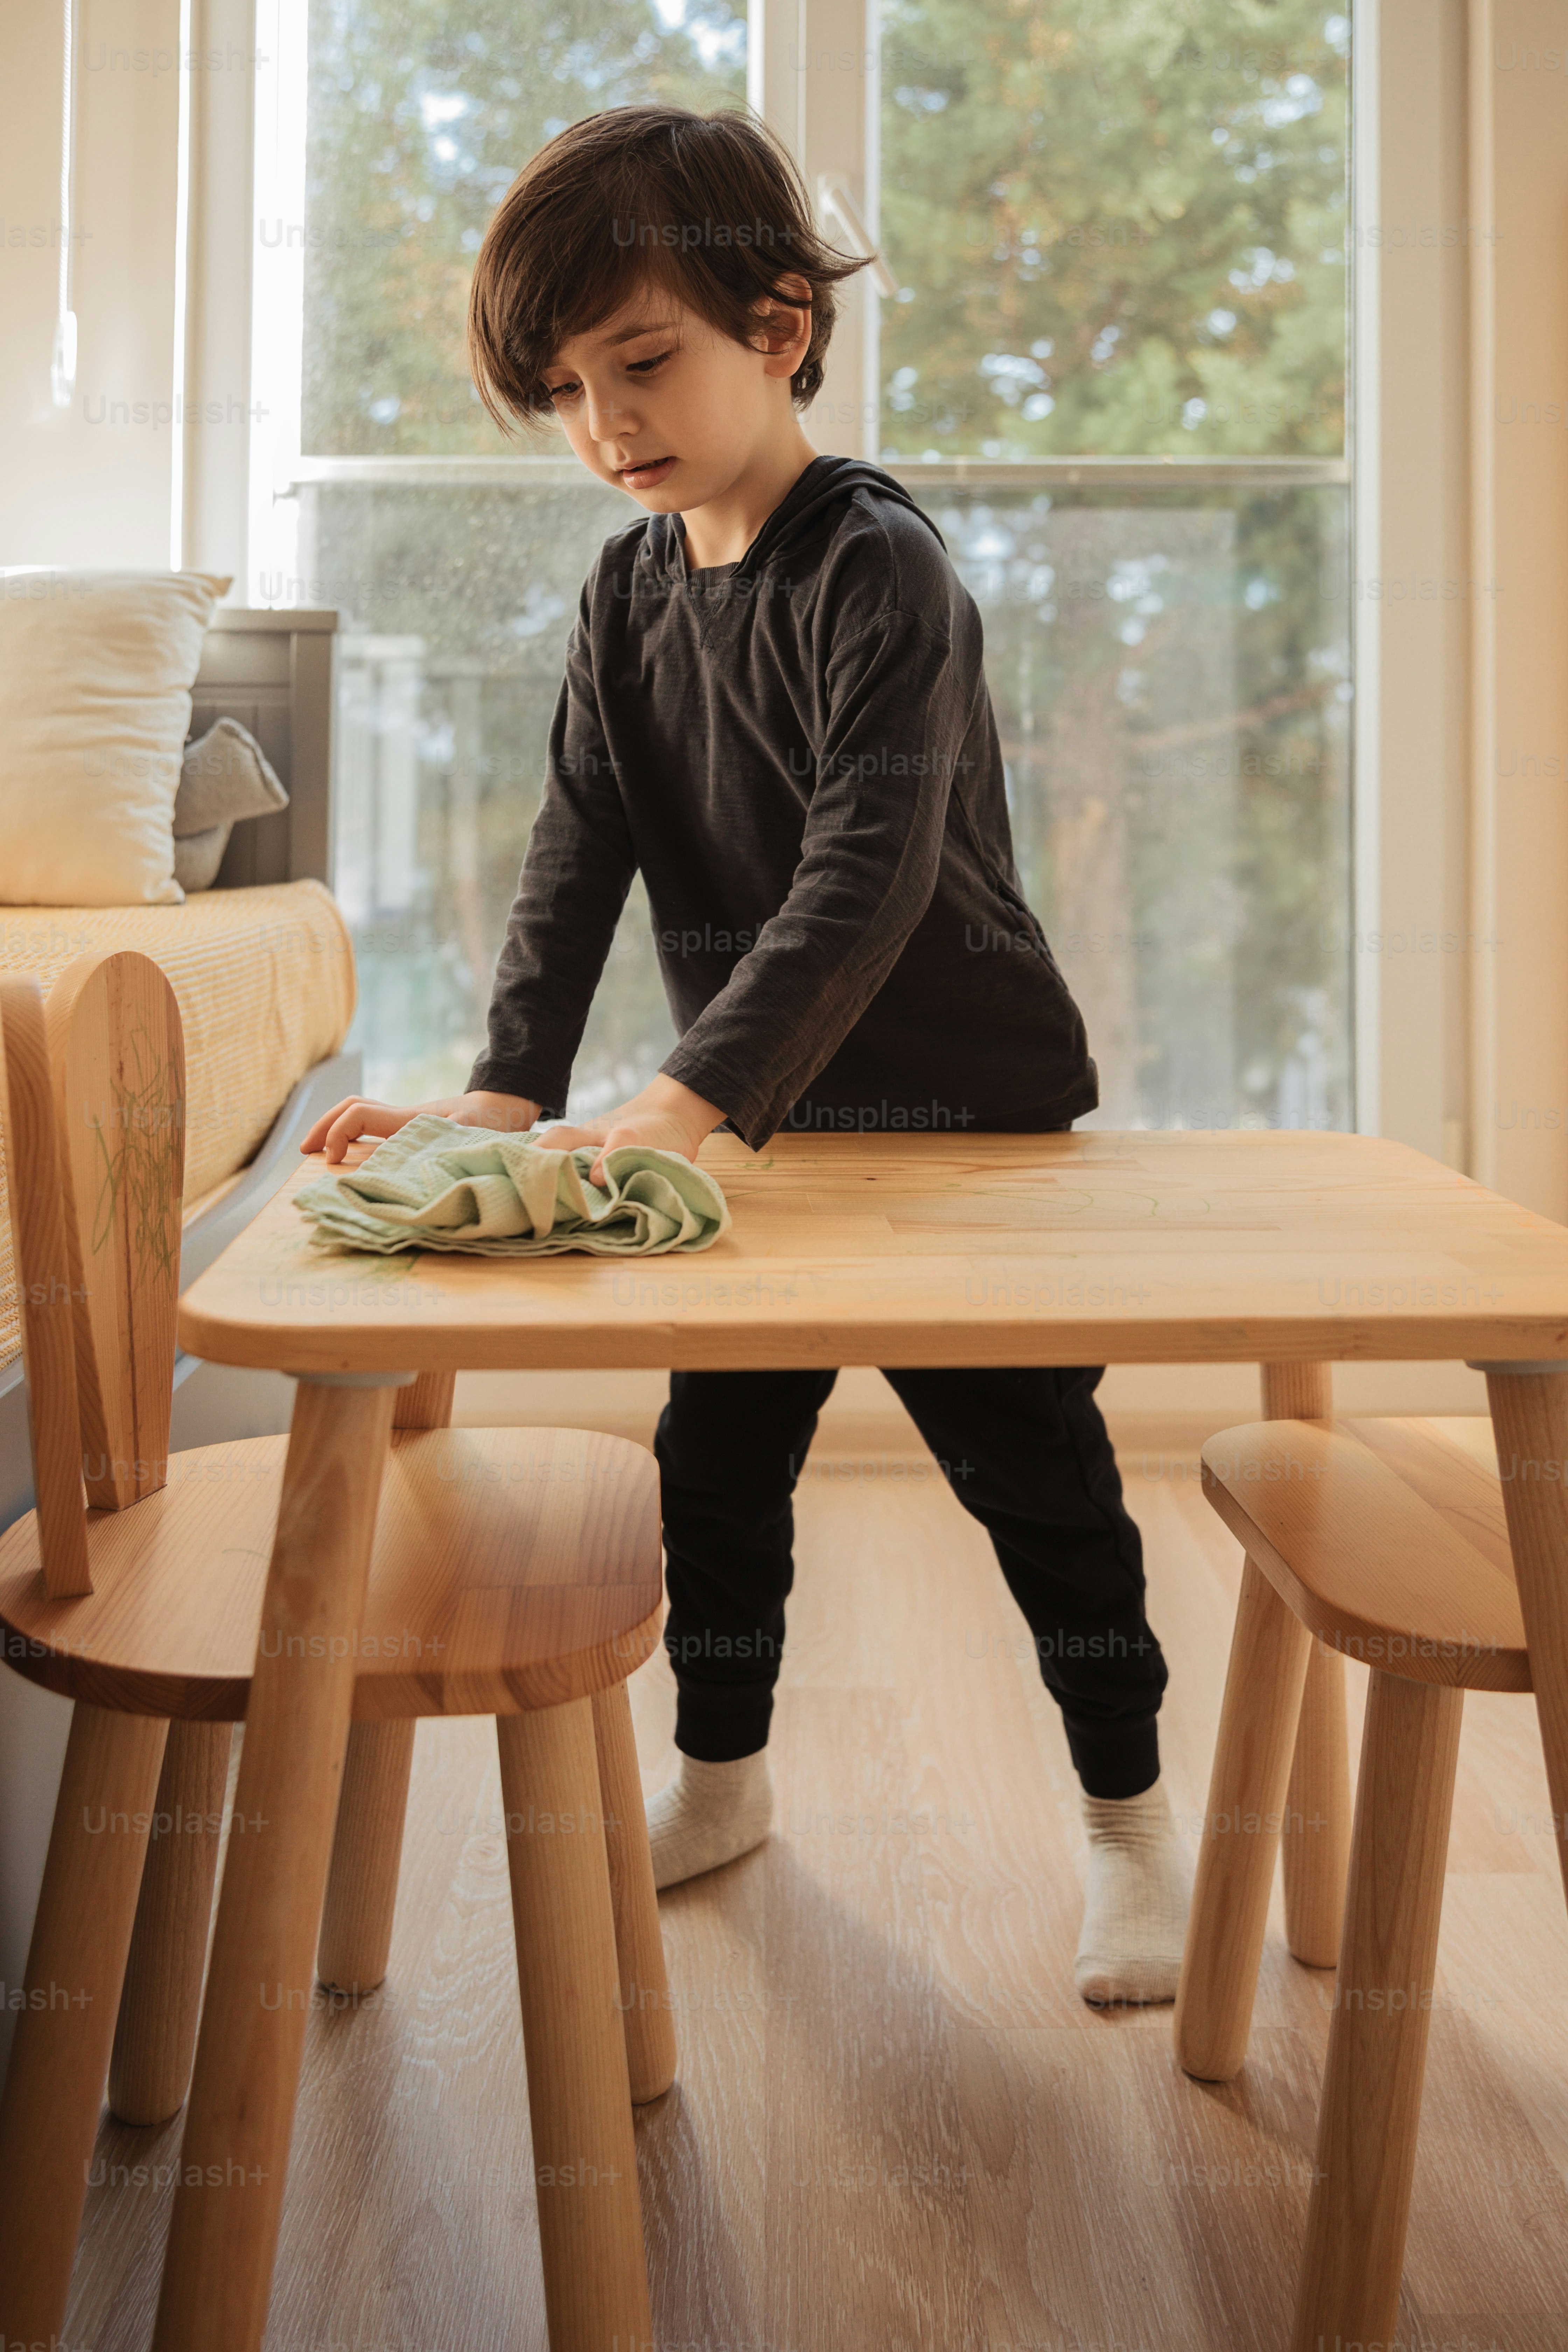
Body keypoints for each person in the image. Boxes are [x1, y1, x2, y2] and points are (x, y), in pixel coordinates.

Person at [303, 102, 1190, 2004]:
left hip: (960, 1121)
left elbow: (865, 880)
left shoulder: (880, 574)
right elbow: (576, 856)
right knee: (717, 1462)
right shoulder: (624, 595)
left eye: (643, 362)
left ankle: (1132, 1832)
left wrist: (682, 1105)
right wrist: (502, 1101)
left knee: (1039, 1480)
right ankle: (723, 1775)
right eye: (564, 390)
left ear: (780, 326)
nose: (607, 424)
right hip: (762, 1129)